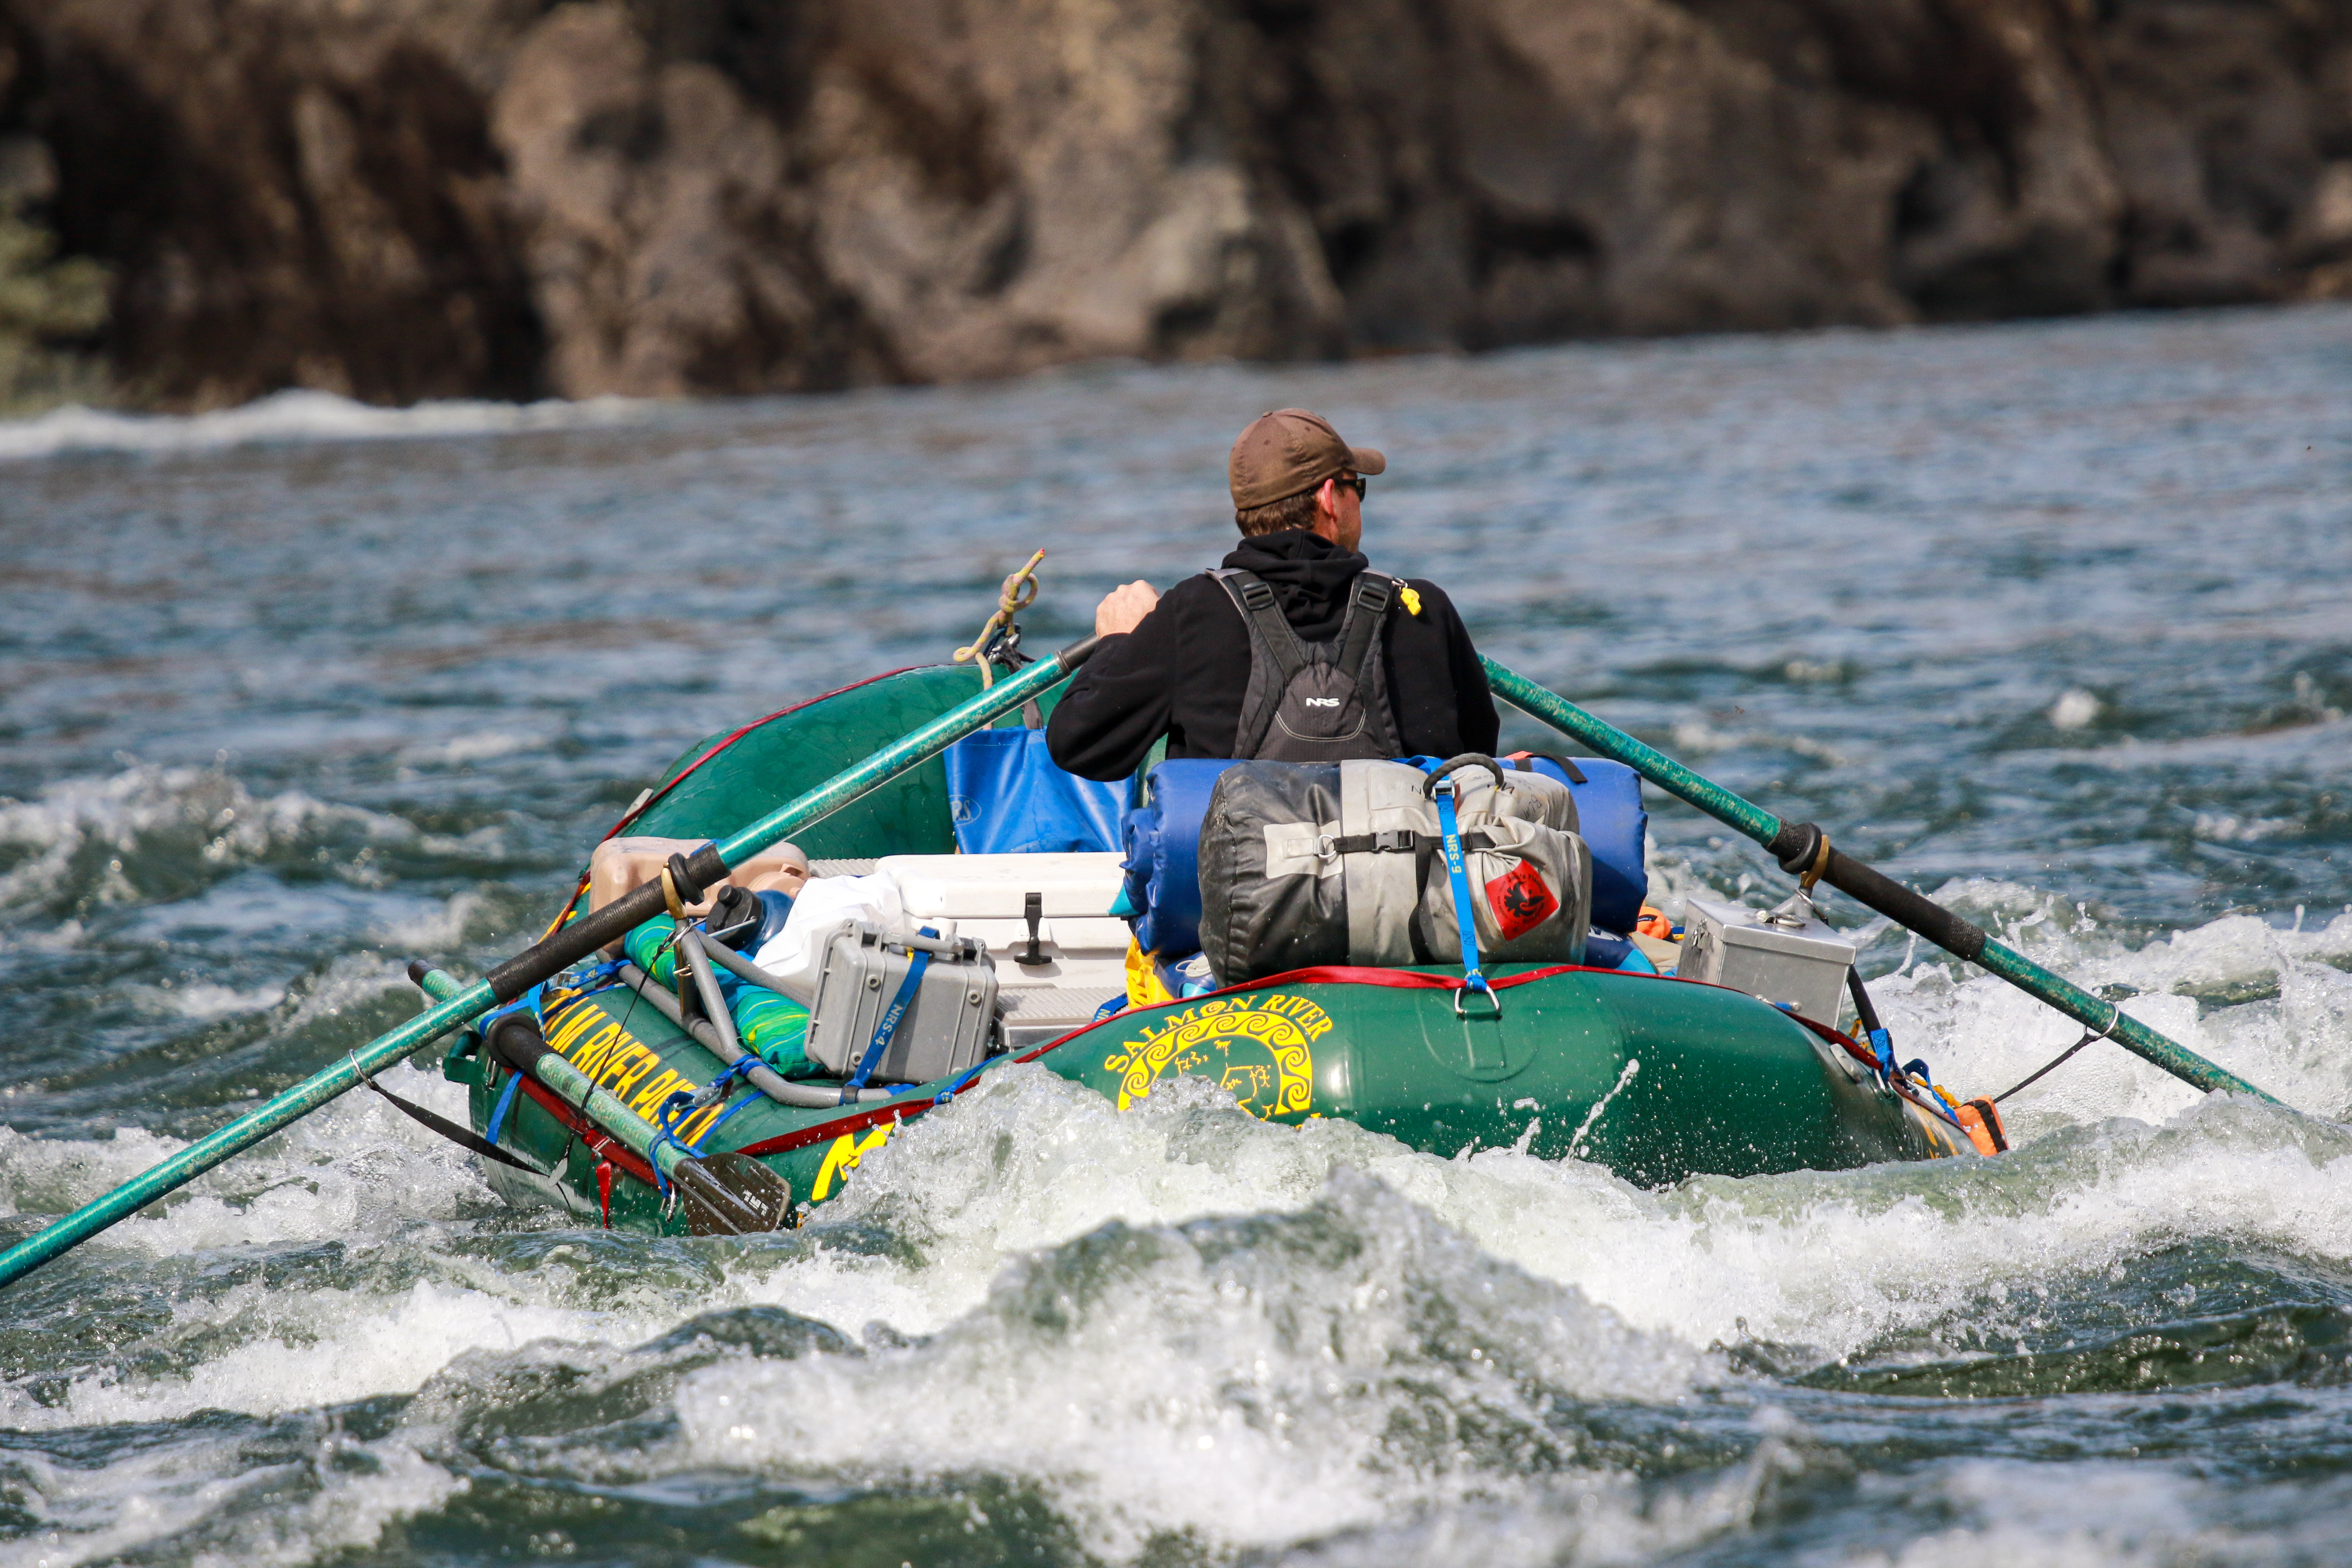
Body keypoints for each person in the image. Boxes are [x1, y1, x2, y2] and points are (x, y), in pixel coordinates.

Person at [1047, 408, 1499, 779]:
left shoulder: (1195, 613)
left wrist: (1118, 643)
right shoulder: (1422, 609)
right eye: (1355, 486)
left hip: (1244, 890)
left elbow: (1079, 747)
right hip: (1399, 887)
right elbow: (1478, 752)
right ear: (1329, 498)